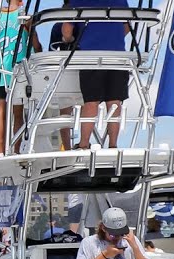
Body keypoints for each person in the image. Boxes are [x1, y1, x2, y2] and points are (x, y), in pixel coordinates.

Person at [67, 0, 131, 148]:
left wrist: (71, 40)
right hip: (116, 54)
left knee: (91, 101)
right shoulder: (121, 1)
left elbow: (66, 30)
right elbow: (127, 26)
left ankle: (83, 145)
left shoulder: (76, 1)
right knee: (114, 101)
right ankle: (113, 145)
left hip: (90, 55)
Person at [0, 0, 40, 156]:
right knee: (17, 113)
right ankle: (16, 150)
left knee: (0, 111)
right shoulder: (25, 17)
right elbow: (36, 44)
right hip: (18, 69)